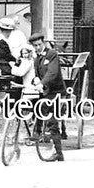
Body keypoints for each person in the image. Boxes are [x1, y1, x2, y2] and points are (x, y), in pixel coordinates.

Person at [30, 32, 65, 161]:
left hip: (56, 92)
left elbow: (52, 73)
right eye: (35, 45)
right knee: (36, 109)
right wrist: (35, 80)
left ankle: (58, 153)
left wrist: (42, 83)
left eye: (39, 44)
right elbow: (37, 74)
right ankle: (38, 132)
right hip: (45, 93)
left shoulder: (52, 54)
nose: (37, 47)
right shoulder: (36, 58)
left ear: (43, 42)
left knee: (52, 121)